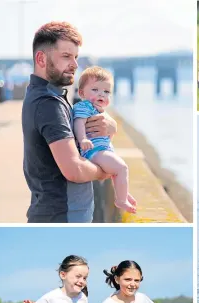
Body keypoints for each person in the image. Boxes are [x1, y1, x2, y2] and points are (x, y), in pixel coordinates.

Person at [23, 22, 115, 223]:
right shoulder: (48, 103)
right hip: (62, 216)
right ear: (41, 58)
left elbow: (88, 119)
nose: (74, 64)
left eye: (75, 57)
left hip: (58, 214)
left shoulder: (47, 95)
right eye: (66, 56)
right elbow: (74, 169)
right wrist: (104, 171)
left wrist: (111, 125)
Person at [73, 66, 136, 214]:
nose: (101, 94)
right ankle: (120, 201)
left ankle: (122, 193)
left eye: (106, 92)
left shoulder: (98, 109)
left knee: (117, 171)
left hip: (101, 149)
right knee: (122, 168)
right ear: (82, 93)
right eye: (95, 90)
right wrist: (82, 139)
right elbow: (79, 122)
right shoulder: (85, 106)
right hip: (93, 151)